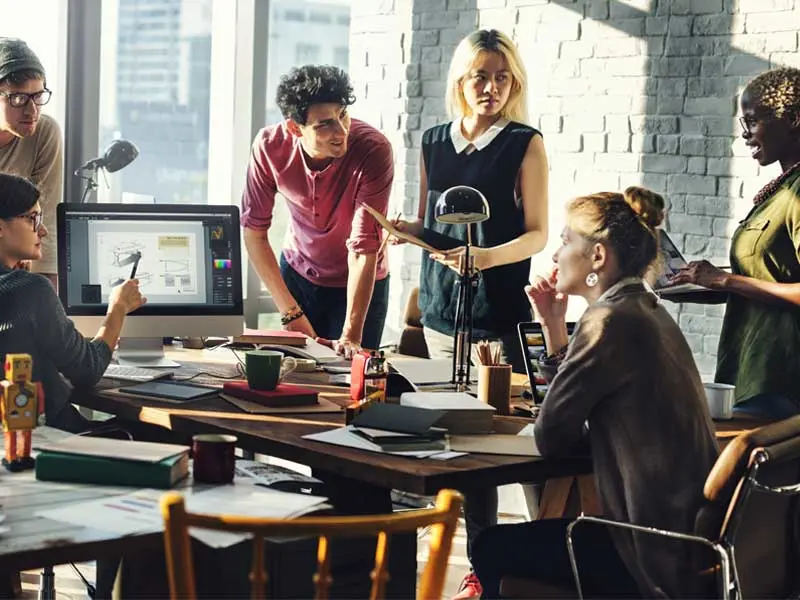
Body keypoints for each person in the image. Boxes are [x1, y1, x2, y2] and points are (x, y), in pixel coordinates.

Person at [471, 186, 719, 598]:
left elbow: (550, 436)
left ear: (598, 257)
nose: (555, 254)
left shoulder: (606, 321)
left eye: (566, 240)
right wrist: (553, 327)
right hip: (687, 541)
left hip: (644, 551)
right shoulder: (647, 309)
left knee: (491, 546)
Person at [391, 29, 548, 598]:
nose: (492, 87)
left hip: (497, 309)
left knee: (493, 442)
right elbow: (431, 222)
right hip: (438, 307)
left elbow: (536, 235)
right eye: (480, 76)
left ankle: (508, 567)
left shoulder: (524, 143)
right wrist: (406, 232)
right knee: (454, 444)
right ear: (461, 80)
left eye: (503, 77)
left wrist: (482, 257)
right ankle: (478, 572)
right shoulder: (433, 140)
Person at [670, 67, 800, 420]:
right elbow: (773, 277)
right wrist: (702, 282)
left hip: (782, 378)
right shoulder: (782, 189)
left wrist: (725, 280)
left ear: (793, 119)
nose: (745, 135)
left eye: (753, 121)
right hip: (751, 369)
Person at [241, 65, 393, 358]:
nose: (341, 131)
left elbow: (363, 248)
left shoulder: (374, 150)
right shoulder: (269, 147)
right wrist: (289, 313)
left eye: (343, 115)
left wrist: (350, 335)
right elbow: (254, 232)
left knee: (354, 381)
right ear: (295, 128)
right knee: (295, 376)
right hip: (298, 274)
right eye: (325, 124)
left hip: (361, 281)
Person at [0, 173, 145, 433]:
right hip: (51, 440)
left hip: (9, 442)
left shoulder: (19, 288)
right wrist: (118, 308)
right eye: (32, 219)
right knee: (157, 434)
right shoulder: (31, 290)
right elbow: (88, 369)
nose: (42, 230)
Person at [0, 38, 63, 284]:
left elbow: (45, 223)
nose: (32, 111)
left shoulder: (44, 133)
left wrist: (49, 304)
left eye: (37, 96)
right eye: (18, 99)